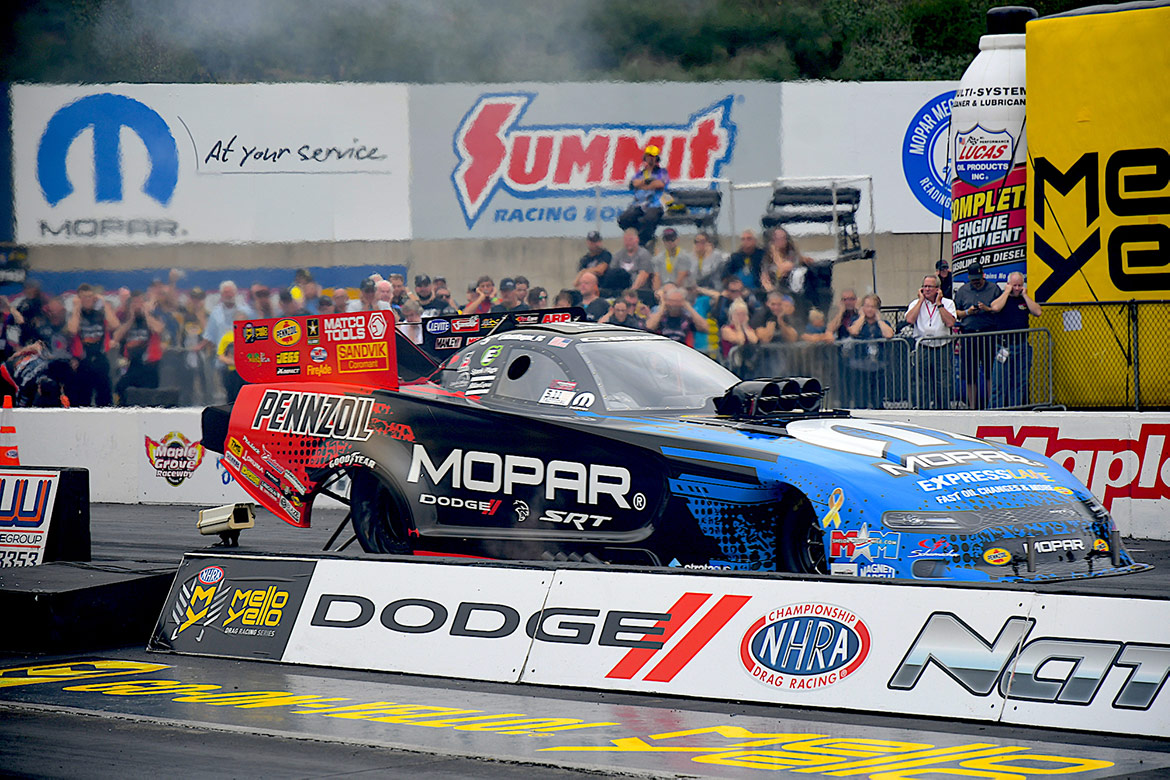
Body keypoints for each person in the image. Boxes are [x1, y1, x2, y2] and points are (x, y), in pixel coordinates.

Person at [989, 271, 1042, 408]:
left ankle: (1016, 409)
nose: (1017, 288)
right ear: (1008, 285)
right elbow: (995, 307)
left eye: (1020, 285)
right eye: (1014, 285)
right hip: (1004, 347)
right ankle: (996, 412)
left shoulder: (1024, 299)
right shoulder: (1002, 297)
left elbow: (1038, 312)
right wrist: (1006, 293)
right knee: (999, 383)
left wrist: (1025, 295)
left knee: (1020, 383)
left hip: (1022, 347)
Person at [953, 262, 1002, 409]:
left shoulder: (994, 289)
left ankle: (990, 405)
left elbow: (1000, 310)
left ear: (983, 276)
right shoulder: (962, 291)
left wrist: (987, 309)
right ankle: (972, 407)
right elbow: (954, 313)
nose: (976, 282)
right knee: (970, 373)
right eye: (973, 280)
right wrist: (968, 312)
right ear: (969, 277)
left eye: (978, 280)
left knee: (989, 372)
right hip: (969, 335)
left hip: (989, 334)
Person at [906, 273, 957, 409]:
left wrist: (939, 304)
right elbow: (910, 319)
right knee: (922, 382)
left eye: (930, 287)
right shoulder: (915, 303)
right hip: (923, 347)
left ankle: (943, 410)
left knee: (943, 382)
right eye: (924, 286)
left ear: (938, 289)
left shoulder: (948, 303)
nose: (927, 289)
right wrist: (920, 301)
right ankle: (921, 408)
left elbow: (950, 322)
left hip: (942, 347)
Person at [66, 283, 117, 406]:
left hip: (100, 358)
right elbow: (72, 330)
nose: (87, 300)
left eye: (90, 296)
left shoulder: (99, 314)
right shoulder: (74, 315)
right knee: (83, 398)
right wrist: (77, 307)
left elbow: (115, 324)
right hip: (83, 361)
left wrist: (104, 303)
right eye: (84, 297)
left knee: (104, 396)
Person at [113, 290, 165, 405]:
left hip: (149, 365)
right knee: (121, 389)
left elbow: (159, 329)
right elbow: (116, 336)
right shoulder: (125, 319)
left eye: (140, 303)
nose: (138, 306)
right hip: (131, 364)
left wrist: (146, 314)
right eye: (135, 303)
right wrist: (131, 319)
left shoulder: (152, 317)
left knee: (148, 397)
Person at [845, 294, 895, 409]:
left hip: (878, 366)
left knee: (877, 398)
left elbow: (889, 334)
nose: (869, 309)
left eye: (872, 307)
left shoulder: (883, 323)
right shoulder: (856, 321)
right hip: (859, 366)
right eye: (867, 306)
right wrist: (861, 317)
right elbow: (853, 331)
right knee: (860, 399)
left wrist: (879, 320)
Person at [617, 144, 669, 247]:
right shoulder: (640, 173)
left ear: (657, 158)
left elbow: (660, 184)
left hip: (656, 204)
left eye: (653, 156)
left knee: (649, 219)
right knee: (623, 219)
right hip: (639, 205)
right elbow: (633, 184)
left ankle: (642, 242)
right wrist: (648, 182)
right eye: (648, 156)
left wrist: (642, 185)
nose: (650, 159)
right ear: (645, 157)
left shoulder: (662, 172)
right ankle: (642, 236)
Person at [607, 229, 654, 302]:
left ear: (637, 240)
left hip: (639, 290)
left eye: (630, 240)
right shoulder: (617, 255)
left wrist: (632, 290)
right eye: (626, 240)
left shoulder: (644, 254)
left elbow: (643, 274)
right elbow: (612, 273)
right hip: (621, 289)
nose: (628, 242)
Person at [719, 298, 759, 363]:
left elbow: (754, 340)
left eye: (743, 314)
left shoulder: (748, 329)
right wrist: (738, 327)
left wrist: (745, 327)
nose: (741, 317)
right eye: (738, 314)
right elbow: (740, 341)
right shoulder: (726, 329)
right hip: (730, 363)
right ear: (732, 315)